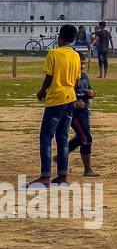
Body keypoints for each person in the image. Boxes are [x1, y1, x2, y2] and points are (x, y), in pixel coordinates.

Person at [34, 24, 81, 186]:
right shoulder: (75, 55)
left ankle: (45, 175)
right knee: (62, 138)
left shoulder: (54, 53)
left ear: (60, 37)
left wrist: (41, 91)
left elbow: (49, 76)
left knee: (46, 137)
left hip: (56, 99)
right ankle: (63, 176)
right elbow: (77, 81)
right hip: (70, 98)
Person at [68, 54, 97, 178]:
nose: (83, 65)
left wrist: (91, 93)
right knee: (85, 138)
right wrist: (74, 103)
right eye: (81, 63)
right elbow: (65, 93)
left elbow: (90, 91)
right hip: (75, 113)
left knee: (82, 137)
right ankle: (87, 169)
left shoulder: (84, 76)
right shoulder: (69, 76)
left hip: (84, 112)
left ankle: (62, 155)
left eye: (84, 63)